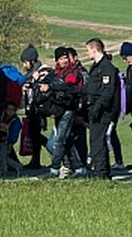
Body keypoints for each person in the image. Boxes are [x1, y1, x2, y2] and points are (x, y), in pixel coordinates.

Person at [40, 47, 83, 178]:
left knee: (59, 141)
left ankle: (54, 169)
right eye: (61, 58)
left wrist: (51, 86)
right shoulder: (56, 73)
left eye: (65, 58)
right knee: (66, 140)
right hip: (59, 109)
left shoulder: (73, 72)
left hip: (69, 109)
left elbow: (69, 86)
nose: (64, 61)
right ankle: (79, 168)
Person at [83, 38, 119, 179]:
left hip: (103, 112)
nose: (87, 53)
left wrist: (97, 107)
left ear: (94, 49)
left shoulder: (106, 68)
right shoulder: (96, 67)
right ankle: (103, 171)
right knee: (97, 141)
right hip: (94, 109)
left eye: (87, 50)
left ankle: (101, 173)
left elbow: (107, 91)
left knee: (97, 142)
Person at [18, 44, 51, 168]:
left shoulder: (41, 72)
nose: (24, 65)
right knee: (33, 135)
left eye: (25, 62)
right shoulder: (29, 75)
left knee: (36, 135)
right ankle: (35, 160)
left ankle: (53, 151)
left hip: (38, 109)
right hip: (31, 108)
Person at [0, 102, 23, 177]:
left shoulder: (15, 121)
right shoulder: (2, 117)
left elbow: (14, 133)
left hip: (7, 141)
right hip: (0, 139)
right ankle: (17, 166)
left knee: (2, 157)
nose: (10, 111)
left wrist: (11, 143)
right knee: (3, 156)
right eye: (8, 109)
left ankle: (3, 171)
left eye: (12, 110)